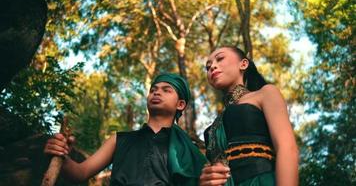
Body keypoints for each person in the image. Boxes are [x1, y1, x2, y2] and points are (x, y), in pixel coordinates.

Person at [44, 73, 207, 186]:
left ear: (180, 104)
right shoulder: (119, 140)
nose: (156, 92)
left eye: (166, 90)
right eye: (153, 89)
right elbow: (80, 173)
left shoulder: (189, 150)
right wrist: (61, 155)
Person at [199, 46, 299, 186]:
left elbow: (287, 149)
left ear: (243, 64)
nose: (212, 67)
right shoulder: (214, 126)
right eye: (207, 67)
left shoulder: (265, 93)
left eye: (220, 59)